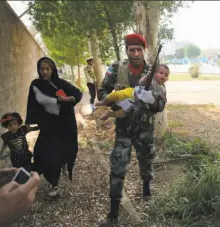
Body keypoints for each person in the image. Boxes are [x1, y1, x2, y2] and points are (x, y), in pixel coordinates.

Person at [97, 33, 167, 227]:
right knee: (117, 168)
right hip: (124, 129)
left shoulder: (154, 71)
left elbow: (162, 103)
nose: (136, 53)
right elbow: (101, 92)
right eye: (132, 49)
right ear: (126, 50)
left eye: (139, 49)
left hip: (145, 129)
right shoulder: (116, 69)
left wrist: (153, 101)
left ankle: (146, 188)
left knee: (146, 161)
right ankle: (113, 213)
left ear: (143, 50)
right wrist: (118, 100)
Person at [25, 57, 83, 197]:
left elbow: (78, 93)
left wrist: (71, 99)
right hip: (49, 123)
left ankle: (54, 183)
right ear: (39, 70)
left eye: (47, 69)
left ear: (52, 70)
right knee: (42, 151)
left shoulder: (60, 83)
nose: (44, 72)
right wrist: (29, 122)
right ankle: (46, 177)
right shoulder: (36, 85)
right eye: (42, 69)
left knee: (62, 150)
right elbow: (38, 101)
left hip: (65, 122)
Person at [95, 64, 169, 121]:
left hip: (135, 103)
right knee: (115, 95)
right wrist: (148, 76)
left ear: (167, 79)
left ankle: (109, 114)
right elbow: (141, 82)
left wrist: (154, 101)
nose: (163, 75)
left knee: (122, 114)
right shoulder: (151, 78)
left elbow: (161, 101)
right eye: (161, 73)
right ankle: (103, 102)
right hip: (132, 93)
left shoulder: (162, 88)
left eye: (166, 75)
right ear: (154, 73)